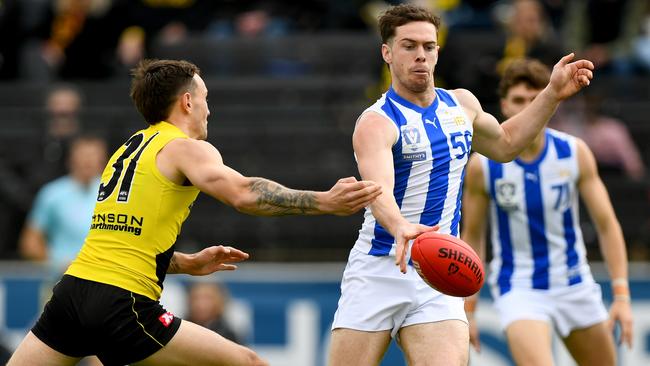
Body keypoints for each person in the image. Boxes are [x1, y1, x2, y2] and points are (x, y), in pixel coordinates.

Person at [8, 59, 382, 366]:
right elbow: (243, 193)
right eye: (205, 98)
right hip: (121, 304)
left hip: (72, 294)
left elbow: (121, 243)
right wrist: (324, 202)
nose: (209, 108)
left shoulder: (128, 149)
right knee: (248, 363)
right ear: (187, 102)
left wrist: (185, 263)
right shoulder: (184, 147)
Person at [328, 4, 595, 366]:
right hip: (378, 268)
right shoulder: (376, 122)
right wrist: (400, 225)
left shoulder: (462, 104)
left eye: (429, 46)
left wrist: (551, 94)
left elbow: (504, 144)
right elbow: (379, 192)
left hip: (437, 270)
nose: (421, 55)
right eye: (409, 46)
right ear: (387, 53)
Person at [461, 58, 634, 365]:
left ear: (550, 101)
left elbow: (607, 224)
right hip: (520, 287)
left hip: (574, 282)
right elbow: (473, 235)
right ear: (503, 105)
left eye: (534, 99)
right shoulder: (483, 165)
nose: (527, 107)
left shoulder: (573, 152)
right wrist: (468, 308)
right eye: (518, 100)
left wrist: (621, 294)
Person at [19, 135, 108, 274]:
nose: (88, 160)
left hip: (104, 277)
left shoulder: (115, 194)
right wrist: (56, 263)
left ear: (103, 160)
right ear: (71, 159)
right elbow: (30, 243)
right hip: (61, 280)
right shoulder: (52, 193)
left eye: (93, 155)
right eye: (83, 155)